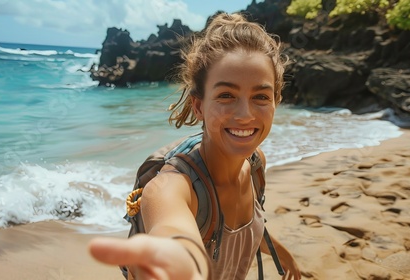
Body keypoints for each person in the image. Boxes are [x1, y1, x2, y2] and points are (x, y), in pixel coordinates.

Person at [89, 12, 302, 280]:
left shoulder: (255, 163)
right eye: (226, 95)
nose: (245, 114)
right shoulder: (172, 186)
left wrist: (282, 253)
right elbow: (171, 227)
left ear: (276, 100)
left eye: (260, 96)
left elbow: (243, 225)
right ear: (199, 106)